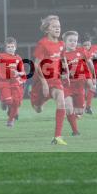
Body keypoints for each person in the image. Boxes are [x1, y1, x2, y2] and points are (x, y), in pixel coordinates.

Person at [31, 15, 69, 145]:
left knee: (61, 100)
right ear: (47, 29)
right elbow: (36, 64)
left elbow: (62, 59)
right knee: (38, 109)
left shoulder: (61, 44)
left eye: (59, 26)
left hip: (56, 80)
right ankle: (41, 101)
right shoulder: (42, 44)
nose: (58, 29)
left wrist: (66, 73)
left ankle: (57, 136)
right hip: (41, 81)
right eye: (54, 27)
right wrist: (44, 83)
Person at [62, 30, 95, 136]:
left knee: (79, 111)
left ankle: (77, 113)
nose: (73, 43)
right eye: (70, 40)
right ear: (65, 42)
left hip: (79, 85)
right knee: (68, 108)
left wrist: (93, 78)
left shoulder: (82, 51)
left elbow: (90, 64)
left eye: (75, 41)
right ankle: (75, 131)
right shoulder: (61, 55)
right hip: (67, 85)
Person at [0, 37, 23, 127]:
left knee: (16, 103)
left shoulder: (18, 58)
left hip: (15, 83)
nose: (11, 48)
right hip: (4, 83)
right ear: (5, 48)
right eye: (8, 47)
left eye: (12, 46)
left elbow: (22, 72)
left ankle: (10, 120)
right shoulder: (0, 56)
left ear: (15, 47)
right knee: (9, 102)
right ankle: (4, 101)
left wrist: (18, 73)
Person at [80, 34, 97, 114]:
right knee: (82, 90)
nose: (87, 46)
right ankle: (81, 106)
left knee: (92, 88)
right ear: (81, 45)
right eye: (85, 45)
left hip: (92, 72)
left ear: (91, 43)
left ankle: (88, 107)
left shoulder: (95, 48)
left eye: (88, 44)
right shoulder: (79, 50)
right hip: (81, 72)